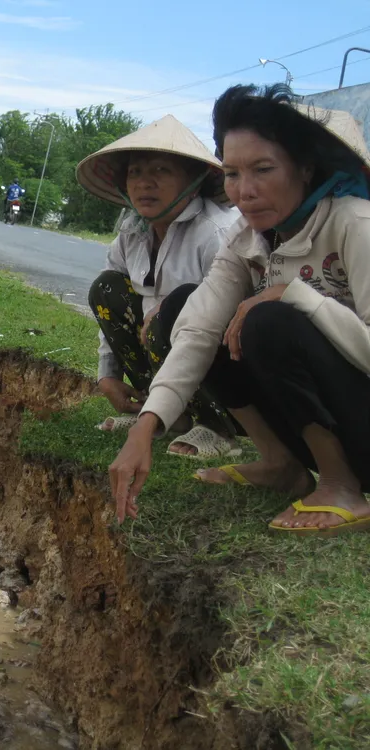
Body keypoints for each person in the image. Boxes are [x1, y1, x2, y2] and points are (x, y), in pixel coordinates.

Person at [110, 84, 370, 536]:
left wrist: (297, 296)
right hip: (315, 420)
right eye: (232, 174)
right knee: (181, 310)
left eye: (263, 169)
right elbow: (198, 328)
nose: (244, 191)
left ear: (305, 169)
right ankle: (281, 463)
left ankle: (341, 484)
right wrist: (146, 427)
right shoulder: (246, 240)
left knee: (269, 320)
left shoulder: (354, 223)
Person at [77, 115, 241, 457]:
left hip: (224, 370)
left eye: (161, 171)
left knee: (174, 311)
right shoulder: (131, 233)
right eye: (135, 172)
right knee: (106, 288)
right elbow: (111, 301)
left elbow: (237, 311)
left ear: (194, 181)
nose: (144, 183)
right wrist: (107, 374)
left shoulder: (215, 233)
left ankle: (217, 428)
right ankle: (169, 415)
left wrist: (170, 311)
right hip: (164, 363)